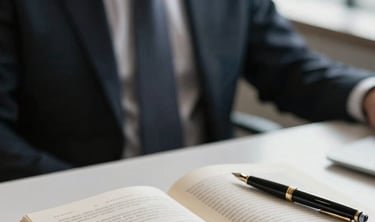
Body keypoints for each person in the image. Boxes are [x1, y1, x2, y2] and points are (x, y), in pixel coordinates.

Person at [1, 0, 375, 182]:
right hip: (75, 199)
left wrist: (366, 95)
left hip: (213, 195)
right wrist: (80, 191)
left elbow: (289, 67)